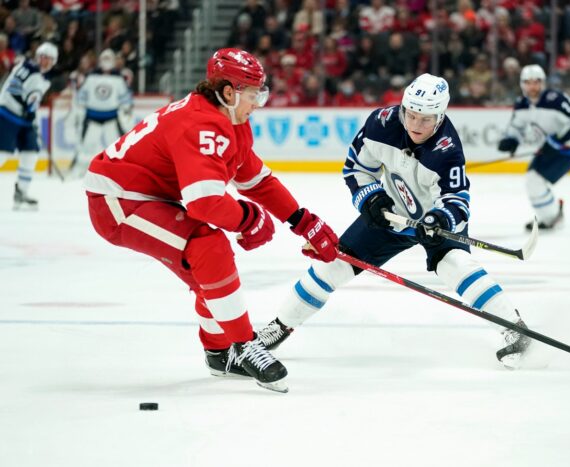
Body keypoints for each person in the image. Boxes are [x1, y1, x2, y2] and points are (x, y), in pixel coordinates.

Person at [83, 48, 339, 393]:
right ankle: (244, 346)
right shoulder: (202, 124)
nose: (258, 103)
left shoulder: (229, 122)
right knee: (208, 246)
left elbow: (257, 181)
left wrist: (304, 222)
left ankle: (221, 355)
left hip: (143, 196)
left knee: (210, 265)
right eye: (253, 94)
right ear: (229, 93)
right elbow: (204, 203)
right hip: (117, 201)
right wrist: (249, 219)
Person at [257, 73, 532, 369]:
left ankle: (515, 329)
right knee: (333, 264)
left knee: (455, 265)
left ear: (440, 116)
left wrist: (439, 219)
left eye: (425, 119)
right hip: (392, 214)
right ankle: (280, 326)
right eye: (410, 115)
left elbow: (457, 201)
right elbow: (356, 168)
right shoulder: (382, 123)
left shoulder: (447, 151)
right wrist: (371, 199)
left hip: (434, 222)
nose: (415, 125)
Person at [497, 64, 570, 230]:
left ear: (543, 83)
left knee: (535, 180)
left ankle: (551, 217)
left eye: (536, 82)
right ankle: (550, 215)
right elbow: (517, 126)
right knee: (532, 180)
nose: (532, 87)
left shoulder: (556, 99)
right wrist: (511, 140)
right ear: (522, 84)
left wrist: (558, 141)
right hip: (549, 148)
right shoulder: (521, 104)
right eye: (528, 82)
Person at [0, 42, 58, 210]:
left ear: (53, 61)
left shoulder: (42, 77)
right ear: (37, 57)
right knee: (2, 154)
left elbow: (31, 99)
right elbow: (14, 90)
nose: (45, 61)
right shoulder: (28, 68)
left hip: (24, 121)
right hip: (7, 115)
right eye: (43, 57)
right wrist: (28, 106)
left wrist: (30, 110)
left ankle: (21, 193)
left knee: (31, 152)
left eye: (49, 59)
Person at [71, 49, 133, 177]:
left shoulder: (118, 78)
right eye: (104, 59)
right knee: (87, 146)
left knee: (116, 147)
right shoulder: (91, 76)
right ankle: (81, 173)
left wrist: (126, 109)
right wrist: (79, 109)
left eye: (109, 59)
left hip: (112, 117)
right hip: (92, 117)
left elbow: (125, 97)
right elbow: (81, 95)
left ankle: (117, 173)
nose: (106, 62)